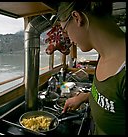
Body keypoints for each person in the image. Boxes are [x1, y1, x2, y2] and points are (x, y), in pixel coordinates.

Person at [54, 1, 126, 135]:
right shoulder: (104, 54)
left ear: (77, 18)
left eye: (66, 30)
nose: (69, 38)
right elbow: (111, 98)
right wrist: (84, 97)